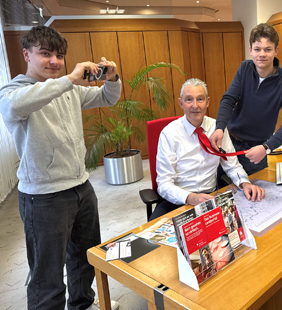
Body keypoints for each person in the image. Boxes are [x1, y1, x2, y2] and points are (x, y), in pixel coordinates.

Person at [0, 26, 121, 310]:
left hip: (80, 186)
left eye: (59, 55)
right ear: (26, 55)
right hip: (43, 198)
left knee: (84, 257)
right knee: (47, 275)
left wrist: (113, 77)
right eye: (45, 54)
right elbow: (15, 108)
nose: (54, 61)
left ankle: (82, 304)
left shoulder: (69, 89)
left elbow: (108, 98)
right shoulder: (13, 91)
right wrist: (68, 79)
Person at [151, 78, 265, 220]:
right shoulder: (169, 134)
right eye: (189, 100)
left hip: (210, 198)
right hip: (177, 200)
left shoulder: (218, 128)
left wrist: (245, 183)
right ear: (180, 103)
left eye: (200, 99)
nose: (195, 105)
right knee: (153, 238)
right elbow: (163, 183)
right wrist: (190, 198)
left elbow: (232, 165)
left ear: (208, 102)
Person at [210, 23, 282, 177]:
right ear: (250, 50)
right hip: (229, 142)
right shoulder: (245, 68)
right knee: (221, 189)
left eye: (268, 49)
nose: (262, 54)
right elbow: (229, 99)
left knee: (254, 195)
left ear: (276, 51)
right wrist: (219, 127)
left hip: (256, 150)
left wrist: (266, 148)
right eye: (257, 49)